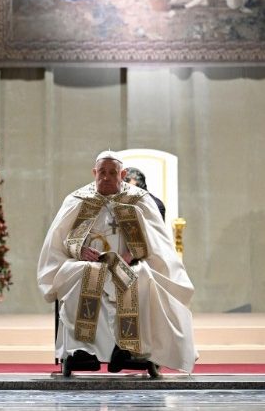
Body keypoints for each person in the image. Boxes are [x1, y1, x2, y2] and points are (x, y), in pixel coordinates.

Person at [37, 150, 197, 375]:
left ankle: (129, 350)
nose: (106, 177)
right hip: (87, 263)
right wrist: (79, 249)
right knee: (79, 276)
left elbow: (157, 240)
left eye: (112, 172)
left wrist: (135, 251)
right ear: (94, 172)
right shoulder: (78, 199)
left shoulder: (139, 199)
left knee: (140, 278)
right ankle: (83, 351)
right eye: (102, 172)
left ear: (121, 174)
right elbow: (60, 240)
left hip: (130, 263)